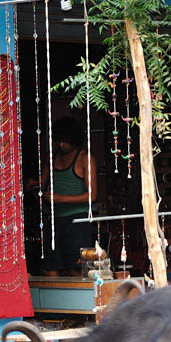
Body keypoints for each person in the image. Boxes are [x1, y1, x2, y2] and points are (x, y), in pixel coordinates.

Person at [39, 117, 99, 276]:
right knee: (52, 268)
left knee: (77, 269)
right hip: (54, 220)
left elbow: (92, 196)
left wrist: (60, 199)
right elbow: (41, 185)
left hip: (78, 221)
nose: (61, 145)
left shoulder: (85, 158)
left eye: (66, 141)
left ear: (75, 140)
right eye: (59, 140)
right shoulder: (51, 157)